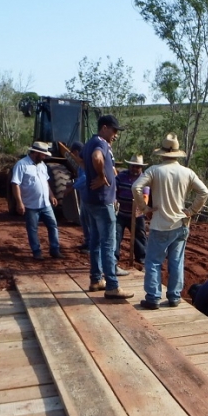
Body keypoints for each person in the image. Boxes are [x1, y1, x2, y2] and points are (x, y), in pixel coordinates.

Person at [132, 133, 208, 309]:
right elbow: (204, 192)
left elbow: (135, 187)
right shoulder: (187, 172)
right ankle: (174, 297)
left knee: (153, 262)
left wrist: (145, 209)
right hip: (181, 223)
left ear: (163, 153)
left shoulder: (154, 170)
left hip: (160, 223)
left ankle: (153, 297)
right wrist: (191, 211)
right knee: (176, 261)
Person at [82, 115, 134, 299]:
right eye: (114, 130)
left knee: (95, 241)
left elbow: (86, 160)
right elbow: (97, 157)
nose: (116, 135)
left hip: (92, 200)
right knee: (108, 244)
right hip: (103, 202)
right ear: (104, 128)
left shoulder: (90, 142)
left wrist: (105, 171)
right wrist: (102, 176)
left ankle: (96, 279)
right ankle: (112, 285)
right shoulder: (101, 143)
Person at [10, 141, 63, 261]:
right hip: (31, 205)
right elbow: (15, 184)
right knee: (32, 229)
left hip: (46, 204)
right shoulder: (21, 165)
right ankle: (36, 251)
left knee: (53, 226)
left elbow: (46, 182)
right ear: (36, 153)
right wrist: (19, 202)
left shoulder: (42, 165)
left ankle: (55, 250)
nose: (45, 157)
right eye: (43, 154)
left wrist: (52, 196)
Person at [115, 154, 149, 268]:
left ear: (141, 168)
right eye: (133, 166)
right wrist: (114, 199)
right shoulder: (121, 176)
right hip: (121, 213)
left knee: (140, 236)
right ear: (130, 166)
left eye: (138, 167)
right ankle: (114, 259)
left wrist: (142, 205)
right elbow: (114, 188)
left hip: (137, 214)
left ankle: (142, 258)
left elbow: (145, 195)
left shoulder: (144, 178)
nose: (135, 169)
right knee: (116, 235)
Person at [67, 141, 90, 252]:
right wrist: (74, 182)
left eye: (73, 154)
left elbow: (85, 178)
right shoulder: (81, 164)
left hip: (89, 196)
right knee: (83, 219)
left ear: (76, 152)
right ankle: (87, 242)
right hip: (84, 195)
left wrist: (72, 187)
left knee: (88, 220)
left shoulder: (85, 162)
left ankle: (91, 245)